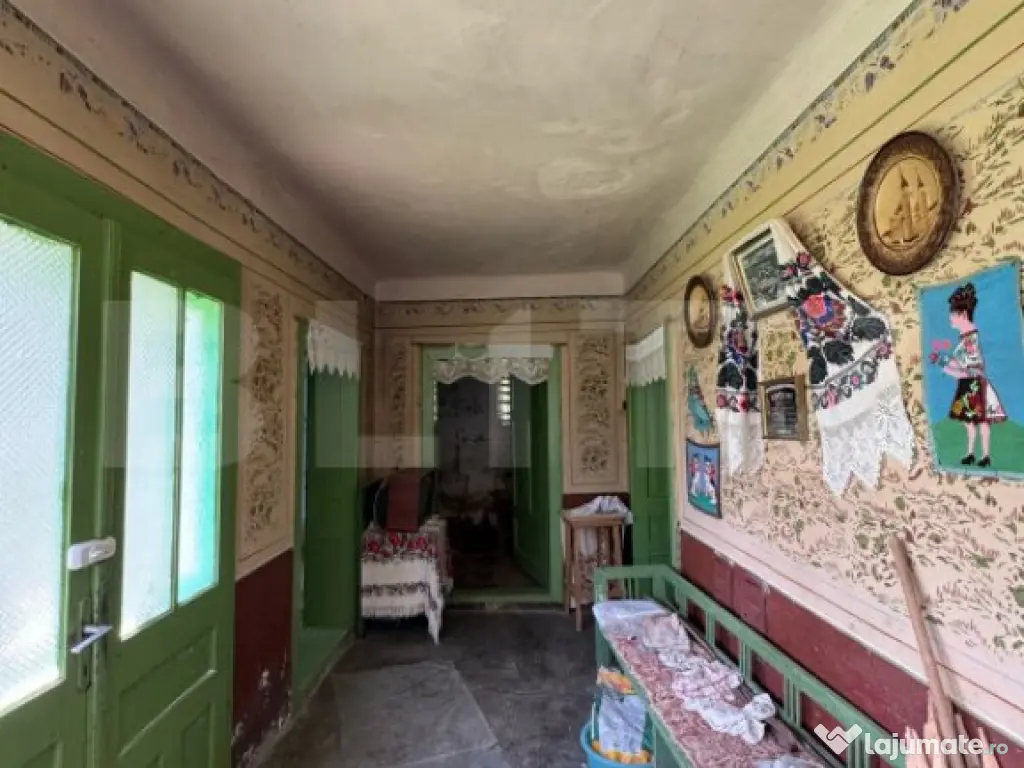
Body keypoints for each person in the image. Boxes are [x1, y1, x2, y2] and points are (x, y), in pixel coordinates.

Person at [943, 282, 1006, 467]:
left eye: (953, 314)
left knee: (981, 420)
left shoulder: (970, 339)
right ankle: (970, 453)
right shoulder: (965, 338)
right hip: (966, 384)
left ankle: (985, 455)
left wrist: (951, 368)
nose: (950, 318)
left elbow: (973, 367)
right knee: (969, 422)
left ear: (963, 314)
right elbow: (960, 363)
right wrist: (946, 363)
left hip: (974, 385)